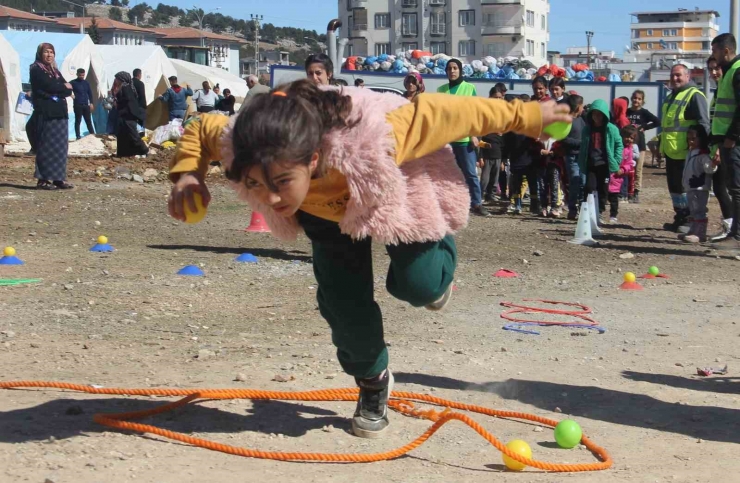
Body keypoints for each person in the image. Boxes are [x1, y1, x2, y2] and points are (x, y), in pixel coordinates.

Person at [167, 79, 571, 438]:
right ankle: (373, 382)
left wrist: (531, 115)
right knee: (343, 306)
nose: (270, 198)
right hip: (326, 215)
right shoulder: (245, 139)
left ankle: (438, 271)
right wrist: (188, 174)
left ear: (311, 159)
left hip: (391, 184)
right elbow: (203, 128)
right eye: (256, 184)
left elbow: (453, 112)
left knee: (419, 286)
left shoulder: (380, 134)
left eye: (281, 182)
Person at [660, 64, 710, 232]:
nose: (675, 79)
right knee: (675, 188)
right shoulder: (669, 97)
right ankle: (680, 217)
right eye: (672, 75)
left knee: (688, 188)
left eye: (678, 75)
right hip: (670, 150)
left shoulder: (694, 95)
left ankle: (691, 220)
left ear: (688, 76)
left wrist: (704, 148)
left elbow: (704, 123)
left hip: (687, 152)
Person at [437, 58, 490, 217]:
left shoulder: (468, 88)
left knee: (470, 173)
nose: (452, 71)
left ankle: (476, 203)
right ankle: (452, 204)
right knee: (449, 174)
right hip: (447, 140)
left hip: (464, 140)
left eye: (455, 68)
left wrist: (474, 134)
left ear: (460, 70)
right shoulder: (441, 90)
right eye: (449, 68)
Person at [30, 43, 74, 190]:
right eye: (46, 52)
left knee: (60, 147)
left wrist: (61, 89)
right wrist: (62, 88)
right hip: (46, 112)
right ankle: (43, 179)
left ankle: (58, 178)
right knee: (46, 146)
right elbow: (51, 86)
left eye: (51, 52)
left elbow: (67, 89)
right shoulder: (36, 69)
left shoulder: (54, 70)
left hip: (60, 112)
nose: (49, 55)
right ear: (40, 54)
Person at [705, 56, 734, 241]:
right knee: (721, 188)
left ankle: (731, 227)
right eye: (710, 69)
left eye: (716, 68)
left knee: (724, 189)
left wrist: (719, 148)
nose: (714, 72)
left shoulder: (727, 91)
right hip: (718, 146)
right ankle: (729, 226)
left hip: (726, 147)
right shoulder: (717, 93)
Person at [578, 99, 623, 217]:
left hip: (605, 164)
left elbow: (619, 144)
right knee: (589, 187)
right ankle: (586, 210)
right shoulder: (587, 129)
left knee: (603, 189)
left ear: (604, 115)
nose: (596, 117)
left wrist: (617, 160)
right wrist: (581, 160)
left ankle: (600, 211)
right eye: (594, 114)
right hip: (591, 163)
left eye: (599, 114)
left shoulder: (611, 129)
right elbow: (583, 146)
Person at [680, 125, 715, 243]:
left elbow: (709, 169)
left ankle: (700, 233)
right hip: (690, 187)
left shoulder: (703, 155)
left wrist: (714, 164)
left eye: (693, 139)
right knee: (693, 210)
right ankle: (693, 230)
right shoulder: (691, 152)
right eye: (688, 138)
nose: (690, 141)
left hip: (699, 188)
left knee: (699, 210)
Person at [626, 89, 660, 204]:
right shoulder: (627, 112)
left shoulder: (644, 113)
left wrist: (644, 126)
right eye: (635, 98)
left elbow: (657, 121)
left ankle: (636, 192)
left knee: (638, 169)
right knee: (626, 167)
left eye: (639, 99)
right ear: (631, 99)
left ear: (642, 101)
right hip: (627, 145)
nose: (636, 100)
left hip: (639, 145)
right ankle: (627, 191)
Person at [479, 84, 506, 203]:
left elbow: (504, 137)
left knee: (495, 178)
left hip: (498, 153)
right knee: (485, 178)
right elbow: (481, 134)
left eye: (500, 97)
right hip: (486, 152)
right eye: (496, 97)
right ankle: (479, 196)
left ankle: (491, 195)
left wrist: (504, 159)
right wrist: (480, 156)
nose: (498, 100)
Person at [113, 72, 148, 158]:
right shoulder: (123, 87)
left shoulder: (125, 87)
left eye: (117, 79)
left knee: (133, 135)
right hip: (124, 115)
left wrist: (119, 104)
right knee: (123, 135)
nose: (116, 80)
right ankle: (124, 153)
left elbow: (128, 101)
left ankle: (144, 150)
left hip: (128, 115)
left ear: (122, 79)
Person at [607, 126, 639, 223]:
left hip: (617, 177)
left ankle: (613, 215)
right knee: (603, 196)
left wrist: (623, 169)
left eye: (631, 138)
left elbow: (629, 163)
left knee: (614, 198)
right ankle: (598, 213)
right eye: (627, 137)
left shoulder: (629, 150)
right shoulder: (616, 146)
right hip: (609, 174)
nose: (629, 139)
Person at [563, 95, 586, 219]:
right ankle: (572, 209)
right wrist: (580, 143)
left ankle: (583, 209)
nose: (583, 108)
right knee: (575, 182)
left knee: (583, 182)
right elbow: (564, 139)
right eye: (582, 106)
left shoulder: (581, 120)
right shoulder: (567, 121)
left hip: (582, 157)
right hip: (572, 157)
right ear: (578, 107)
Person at [70, 68, 95, 140]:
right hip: (78, 105)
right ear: (77, 74)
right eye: (80, 75)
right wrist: (70, 95)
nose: (81, 76)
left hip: (85, 105)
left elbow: (89, 93)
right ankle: (78, 136)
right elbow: (65, 87)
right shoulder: (73, 82)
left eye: (83, 75)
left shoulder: (86, 83)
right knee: (78, 120)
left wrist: (91, 103)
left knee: (88, 121)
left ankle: (92, 134)